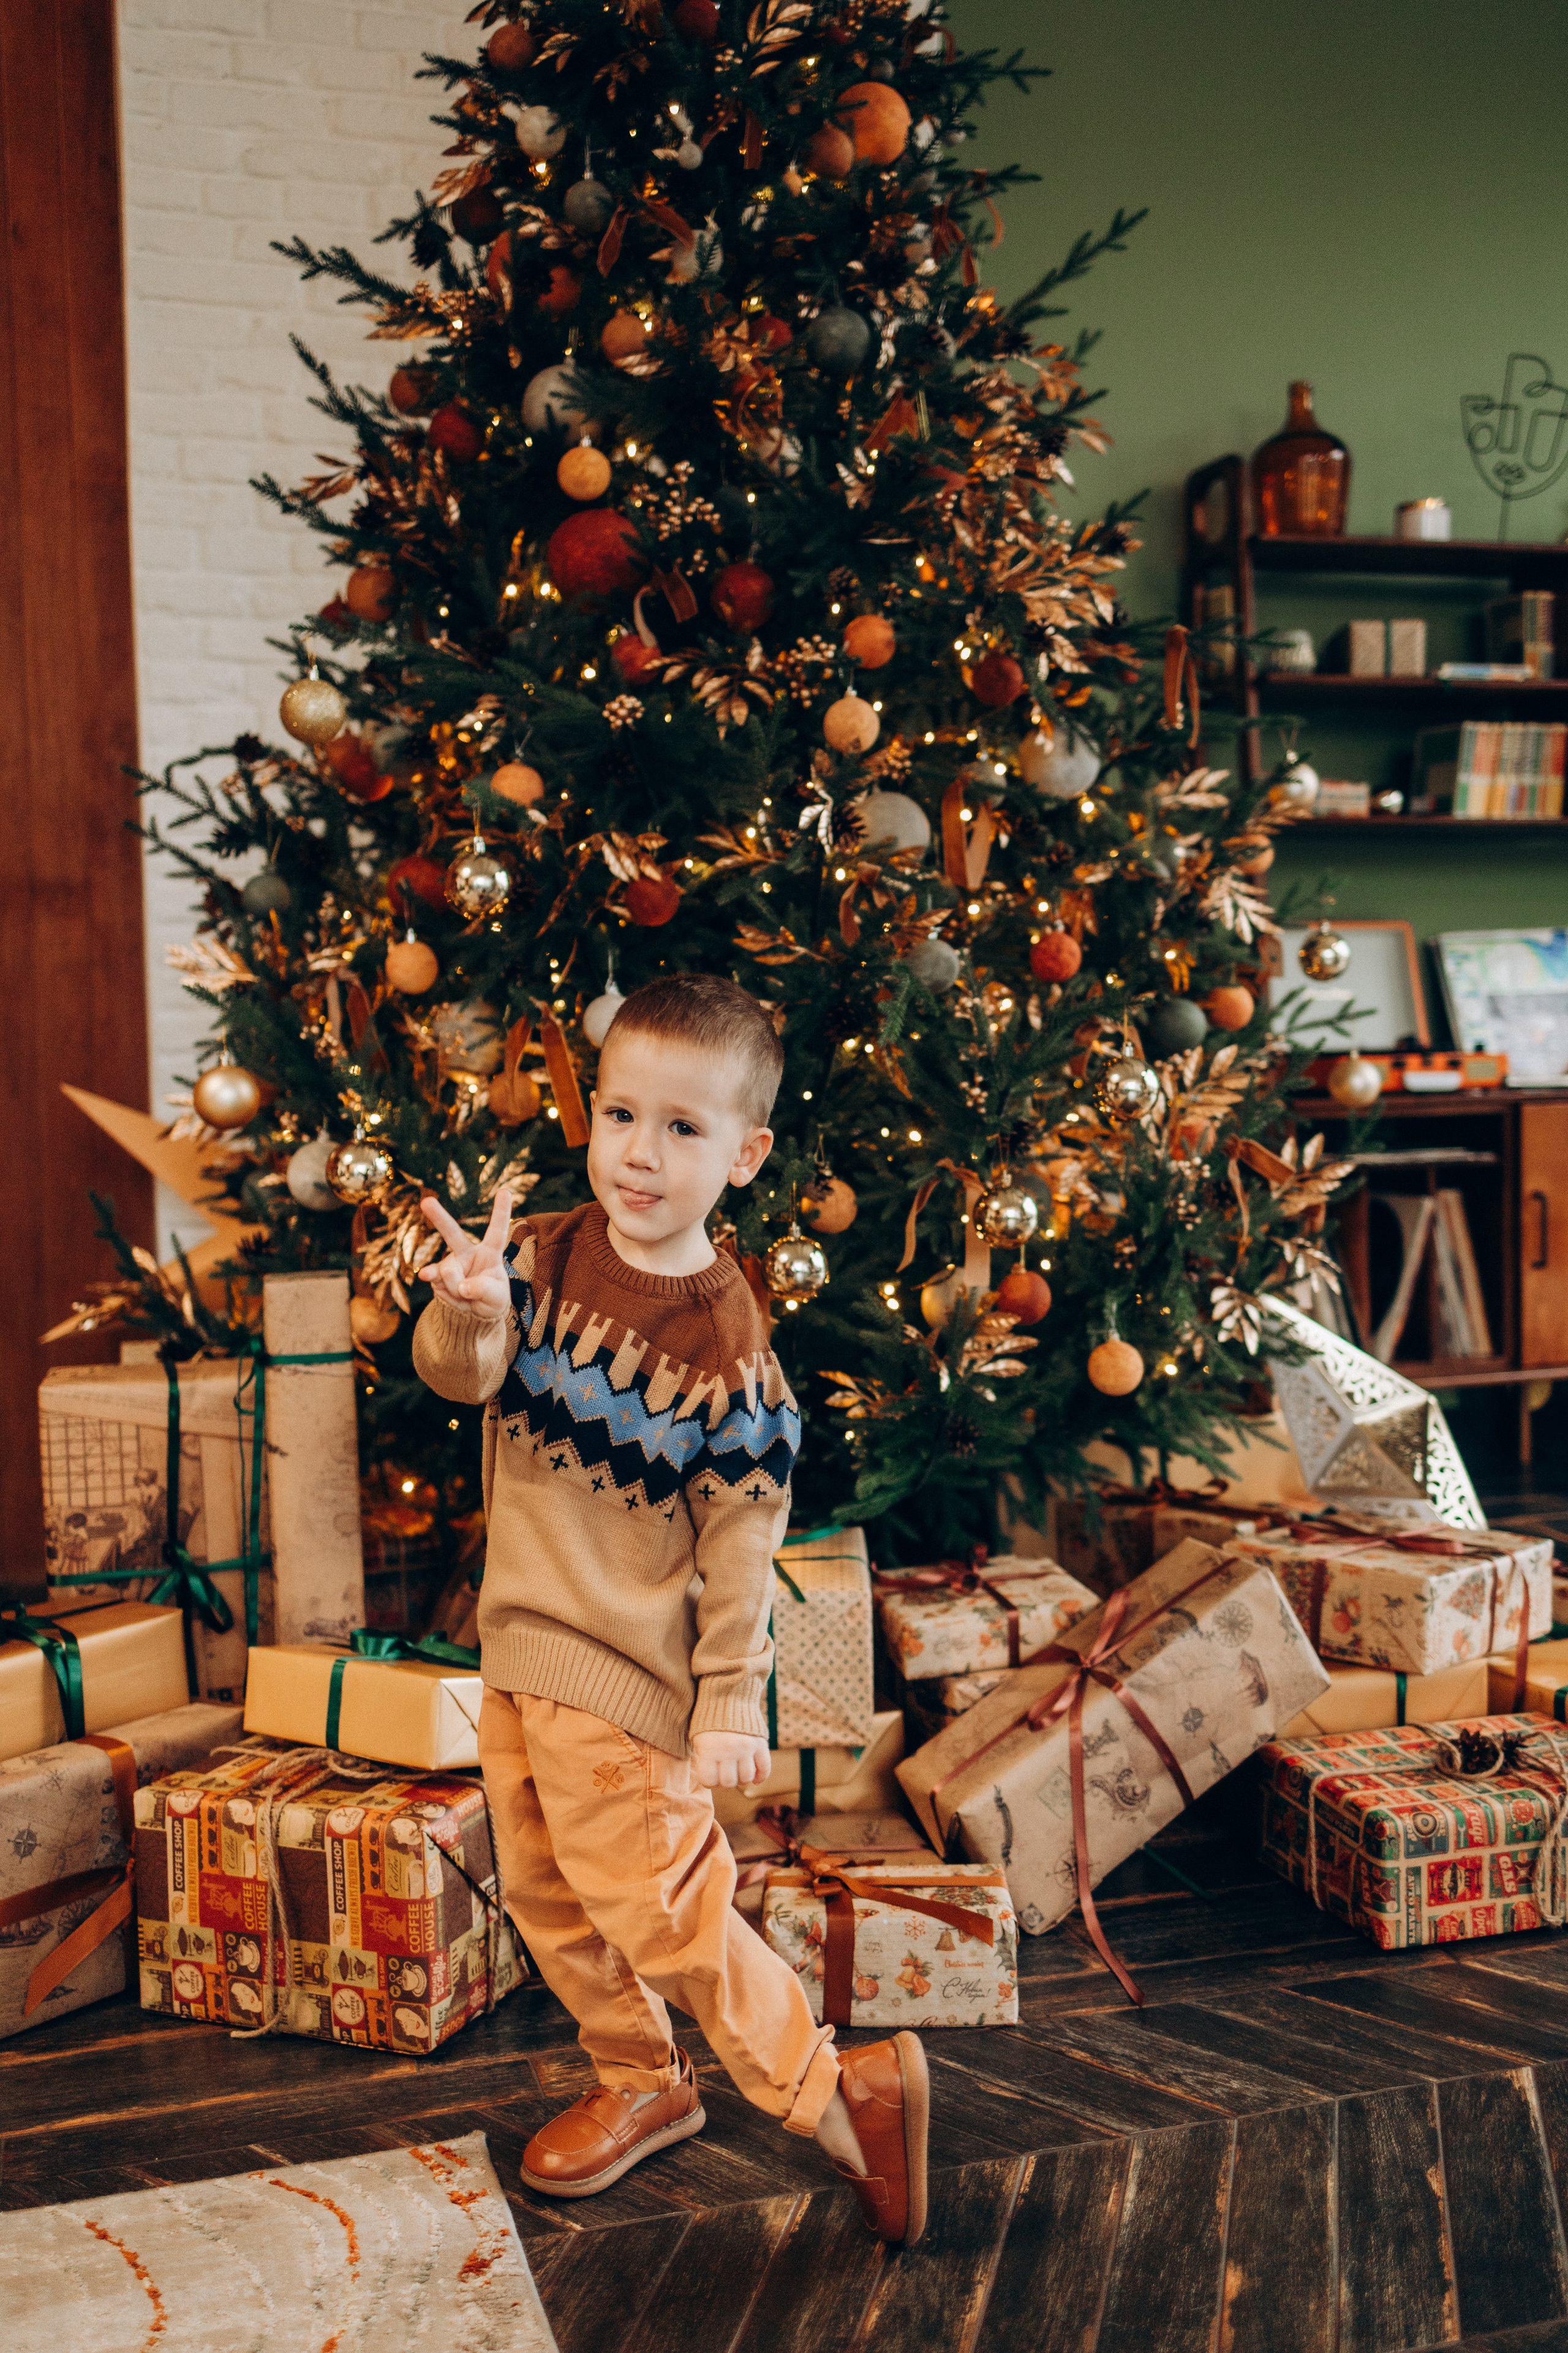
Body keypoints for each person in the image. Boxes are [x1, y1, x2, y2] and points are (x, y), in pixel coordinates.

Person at [412, 972, 929, 2245]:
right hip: (518, 1654)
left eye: (681, 1129)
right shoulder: (535, 1251)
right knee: (541, 1891)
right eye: (621, 1115)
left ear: (745, 1153)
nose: (638, 1154)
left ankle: (835, 2092)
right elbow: (460, 1379)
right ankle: (641, 2079)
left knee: (661, 1905)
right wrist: (464, 1312)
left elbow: (745, 1541)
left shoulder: (724, 1346)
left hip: (625, 1687)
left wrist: (725, 1699)